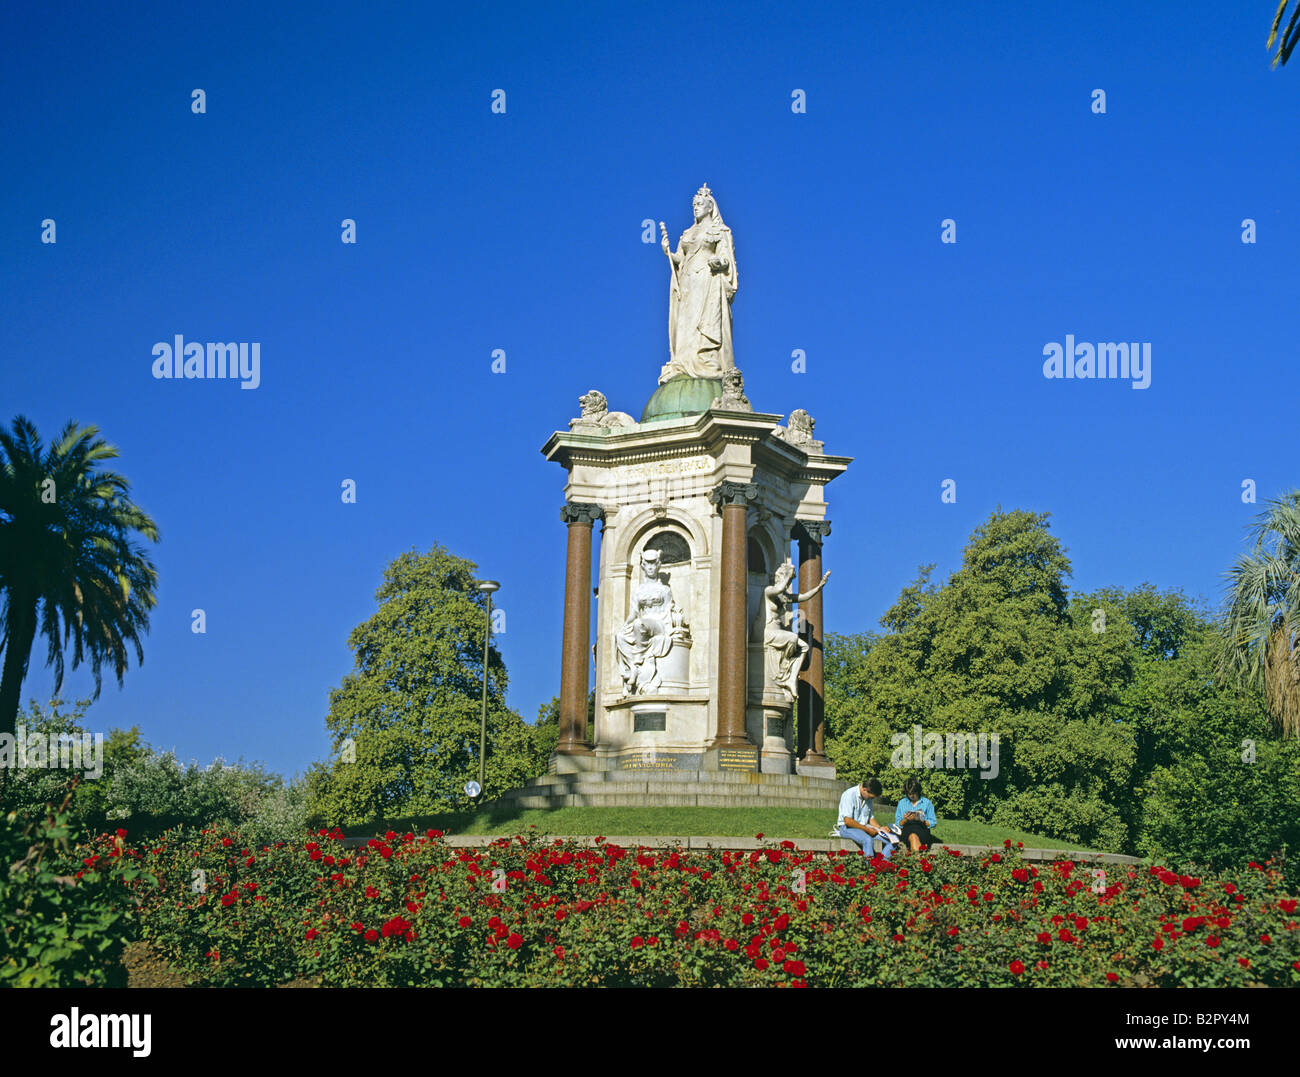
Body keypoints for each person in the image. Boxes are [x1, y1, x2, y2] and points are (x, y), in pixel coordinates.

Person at [836, 778, 893, 860]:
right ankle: (868, 869)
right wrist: (867, 830)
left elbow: (871, 818)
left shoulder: (867, 798)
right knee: (868, 840)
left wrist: (880, 829)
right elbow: (848, 821)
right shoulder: (849, 795)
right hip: (847, 828)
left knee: (892, 841)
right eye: (871, 797)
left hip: (864, 827)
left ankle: (881, 866)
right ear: (864, 789)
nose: (871, 799)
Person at [894, 777, 938, 851]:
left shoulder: (926, 803)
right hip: (907, 829)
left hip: (922, 829)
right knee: (913, 836)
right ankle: (919, 860)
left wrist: (921, 820)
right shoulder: (902, 803)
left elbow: (933, 822)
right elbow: (898, 823)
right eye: (909, 793)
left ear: (918, 791)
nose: (911, 796)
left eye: (914, 793)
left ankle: (916, 860)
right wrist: (905, 820)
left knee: (914, 837)